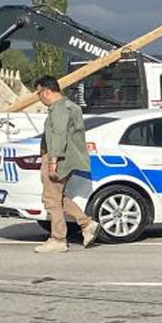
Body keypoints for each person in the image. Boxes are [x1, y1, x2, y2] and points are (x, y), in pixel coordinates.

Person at [32, 76, 99, 254]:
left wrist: (53, 160)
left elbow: (59, 135)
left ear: (47, 91)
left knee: (51, 199)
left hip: (57, 158)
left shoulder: (60, 109)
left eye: (39, 93)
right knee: (57, 197)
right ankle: (86, 223)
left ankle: (58, 239)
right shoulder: (70, 106)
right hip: (66, 158)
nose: (39, 97)